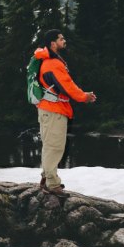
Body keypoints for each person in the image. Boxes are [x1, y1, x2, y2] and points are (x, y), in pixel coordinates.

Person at [34, 29, 96, 193]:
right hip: (54, 110)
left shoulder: (48, 61)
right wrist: (84, 96)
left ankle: (46, 178)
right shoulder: (53, 64)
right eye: (61, 39)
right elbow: (67, 86)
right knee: (54, 147)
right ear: (53, 43)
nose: (64, 41)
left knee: (49, 146)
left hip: (48, 109)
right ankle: (52, 185)